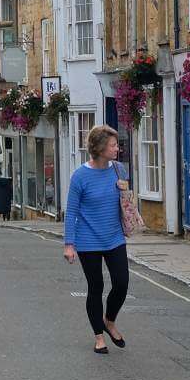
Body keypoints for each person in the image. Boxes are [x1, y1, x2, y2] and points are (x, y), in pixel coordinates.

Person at [63, 124, 131, 355]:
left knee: (121, 283)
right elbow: (71, 211)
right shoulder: (80, 176)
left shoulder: (119, 170)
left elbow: (125, 200)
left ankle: (109, 320)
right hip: (88, 239)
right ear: (100, 148)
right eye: (112, 145)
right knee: (96, 287)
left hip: (114, 237)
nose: (117, 148)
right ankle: (99, 336)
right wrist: (69, 244)